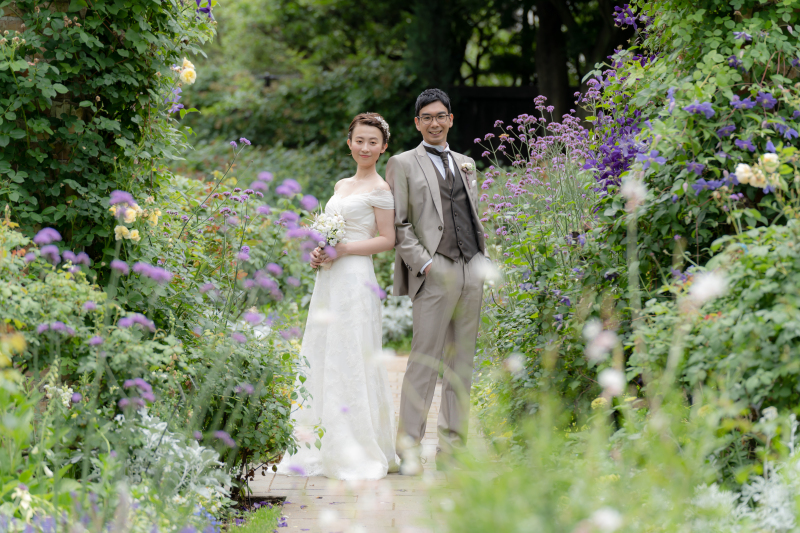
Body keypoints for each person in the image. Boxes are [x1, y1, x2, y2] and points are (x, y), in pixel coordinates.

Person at [276, 113, 400, 480]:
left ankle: (356, 445)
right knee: (324, 350)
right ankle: (317, 444)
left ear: (383, 148)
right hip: (329, 280)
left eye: (373, 142)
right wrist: (320, 251)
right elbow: (330, 236)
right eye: (359, 140)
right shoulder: (341, 184)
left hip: (356, 279)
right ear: (349, 142)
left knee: (351, 352)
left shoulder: (381, 189)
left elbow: (387, 240)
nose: (365, 147)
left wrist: (343, 250)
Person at [386, 88, 486, 473]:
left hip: (471, 268)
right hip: (434, 271)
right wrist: (426, 266)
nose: (434, 123)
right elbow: (399, 224)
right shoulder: (402, 163)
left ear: (451, 119)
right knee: (424, 362)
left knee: (461, 363)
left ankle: (452, 450)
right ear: (417, 123)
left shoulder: (466, 163)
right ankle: (409, 449)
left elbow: (470, 215)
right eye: (426, 117)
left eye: (440, 115)